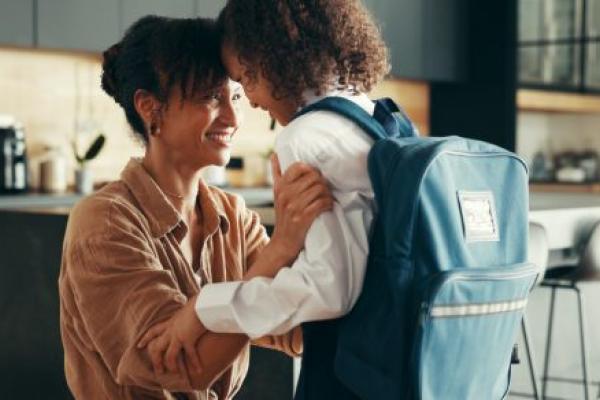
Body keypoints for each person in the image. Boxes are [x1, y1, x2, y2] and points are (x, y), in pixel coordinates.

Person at [58, 15, 333, 400]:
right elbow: (184, 368)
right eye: (210, 96)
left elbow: (287, 324)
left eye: (235, 95)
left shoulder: (232, 216)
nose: (234, 117)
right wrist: (283, 246)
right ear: (150, 108)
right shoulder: (104, 222)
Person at [139, 1, 390, 398]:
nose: (251, 103)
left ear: (277, 60)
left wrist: (203, 307)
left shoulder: (305, 136)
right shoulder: (376, 117)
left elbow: (328, 291)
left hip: (356, 380)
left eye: (246, 81)